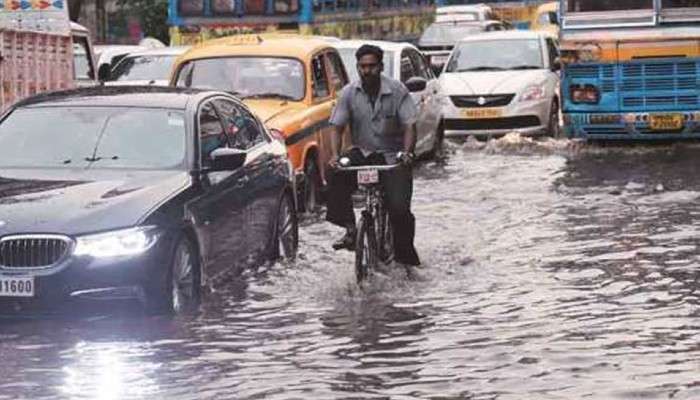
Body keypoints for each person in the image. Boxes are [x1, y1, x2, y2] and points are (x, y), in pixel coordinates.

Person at [326, 44, 421, 269]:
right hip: (363, 152)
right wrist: (334, 156)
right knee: (335, 173)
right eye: (362, 67)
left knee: (399, 209)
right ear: (358, 68)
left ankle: (405, 260)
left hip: (391, 157)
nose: (367, 71)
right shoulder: (349, 92)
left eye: (371, 66)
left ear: (380, 67)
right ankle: (350, 229)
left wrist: (407, 154)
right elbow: (337, 127)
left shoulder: (397, 91)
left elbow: (410, 126)